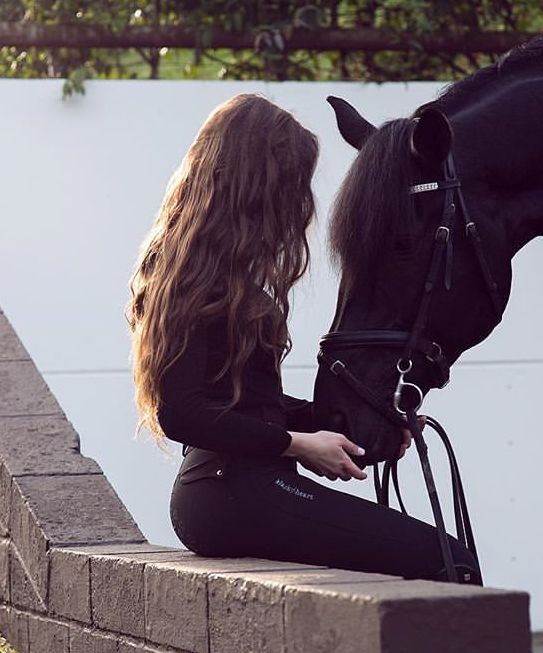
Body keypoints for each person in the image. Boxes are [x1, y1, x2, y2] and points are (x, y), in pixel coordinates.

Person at [127, 94, 480, 583]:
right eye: (293, 183)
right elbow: (181, 413)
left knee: (435, 558)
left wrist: (361, 424)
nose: (300, 201)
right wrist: (297, 444)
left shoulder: (209, 272)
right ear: (259, 184)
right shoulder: (194, 277)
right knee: (450, 562)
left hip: (231, 490)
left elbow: (247, 406)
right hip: (234, 491)